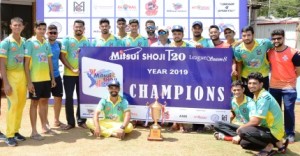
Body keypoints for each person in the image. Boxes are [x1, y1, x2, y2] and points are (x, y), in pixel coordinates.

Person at [237, 72, 288, 155]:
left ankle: (269, 147)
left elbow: (256, 121)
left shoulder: (263, 97)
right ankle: (278, 144)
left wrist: (241, 127)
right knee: (244, 144)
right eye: (249, 83)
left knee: (243, 131)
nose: (251, 86)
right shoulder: (257, 95)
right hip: (268, 129)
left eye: (254, 83)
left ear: (261, 84)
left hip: (274, 131)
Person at [25, 21, 56, 141]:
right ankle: (33, 131)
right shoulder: (30, 43)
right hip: (35, 80)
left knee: (44, 102)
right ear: (35, 29)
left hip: (46, 79)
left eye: (44, 29)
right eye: (40, 29)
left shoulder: (46, 43)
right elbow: (26, 64)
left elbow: (49, 62)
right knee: (34, 104)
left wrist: (52, 78)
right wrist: (29, 82)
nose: (42, 31)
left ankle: (44, 126)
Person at [267, 29, 300, 143]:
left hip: (289, 87)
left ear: (283, 38)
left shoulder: (293, 52)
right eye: (274, 38)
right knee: (274, 111)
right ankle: (276, 131)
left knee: (289, 110)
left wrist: (290, 79)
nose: (276, 40)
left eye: (279, 38)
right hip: (273, 86)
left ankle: (290, 133)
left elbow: (298, 70)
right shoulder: (269, 52)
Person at [0, 17, 27, 146]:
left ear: (23, 27)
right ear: (10, 26)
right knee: (13, 104)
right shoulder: (6, 42)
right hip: (10, 76)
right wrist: (5, 82)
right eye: (15, 25)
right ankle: (9, 135)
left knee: (21, 104)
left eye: (19, 25)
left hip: (22, 76)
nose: (17, 27)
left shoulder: (24, 41)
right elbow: (2, 63)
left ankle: (16, 131)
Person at [60, 20, 90, 130]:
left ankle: (81, 121)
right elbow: (62, 56)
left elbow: (89, 57)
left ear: (84, 28)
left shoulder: (86, 41)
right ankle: (70, 122)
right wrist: (72, 69)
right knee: (68, 98)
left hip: (82, 75)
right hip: (69, 75)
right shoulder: (67, 40)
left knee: (82, 98)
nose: (78, 29)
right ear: (73, 27)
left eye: (80, 27)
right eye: (76, 27)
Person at [234, 26, 273, 97]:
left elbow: (276, 46)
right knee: (249, 100)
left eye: (249, 35)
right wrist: (239, 78)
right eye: (244, 36)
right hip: (246, 77)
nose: (246, 38)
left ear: (253, 35)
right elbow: (239, 63)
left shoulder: (264, 43)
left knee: (262, 99)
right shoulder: (238, 49)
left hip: (263, 76)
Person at [46, 24, 66, 128]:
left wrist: (71, 68)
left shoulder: (59, 44)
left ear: (57, 34)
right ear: (47, 33)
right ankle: (45, 123)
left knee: (58, 98)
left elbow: (62, 58)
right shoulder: (43, 44)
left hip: (56, 75)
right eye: (51, 32)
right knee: (43, 100)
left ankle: (56, 121)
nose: (53, 34)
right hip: (44, 76)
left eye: (55, 32)